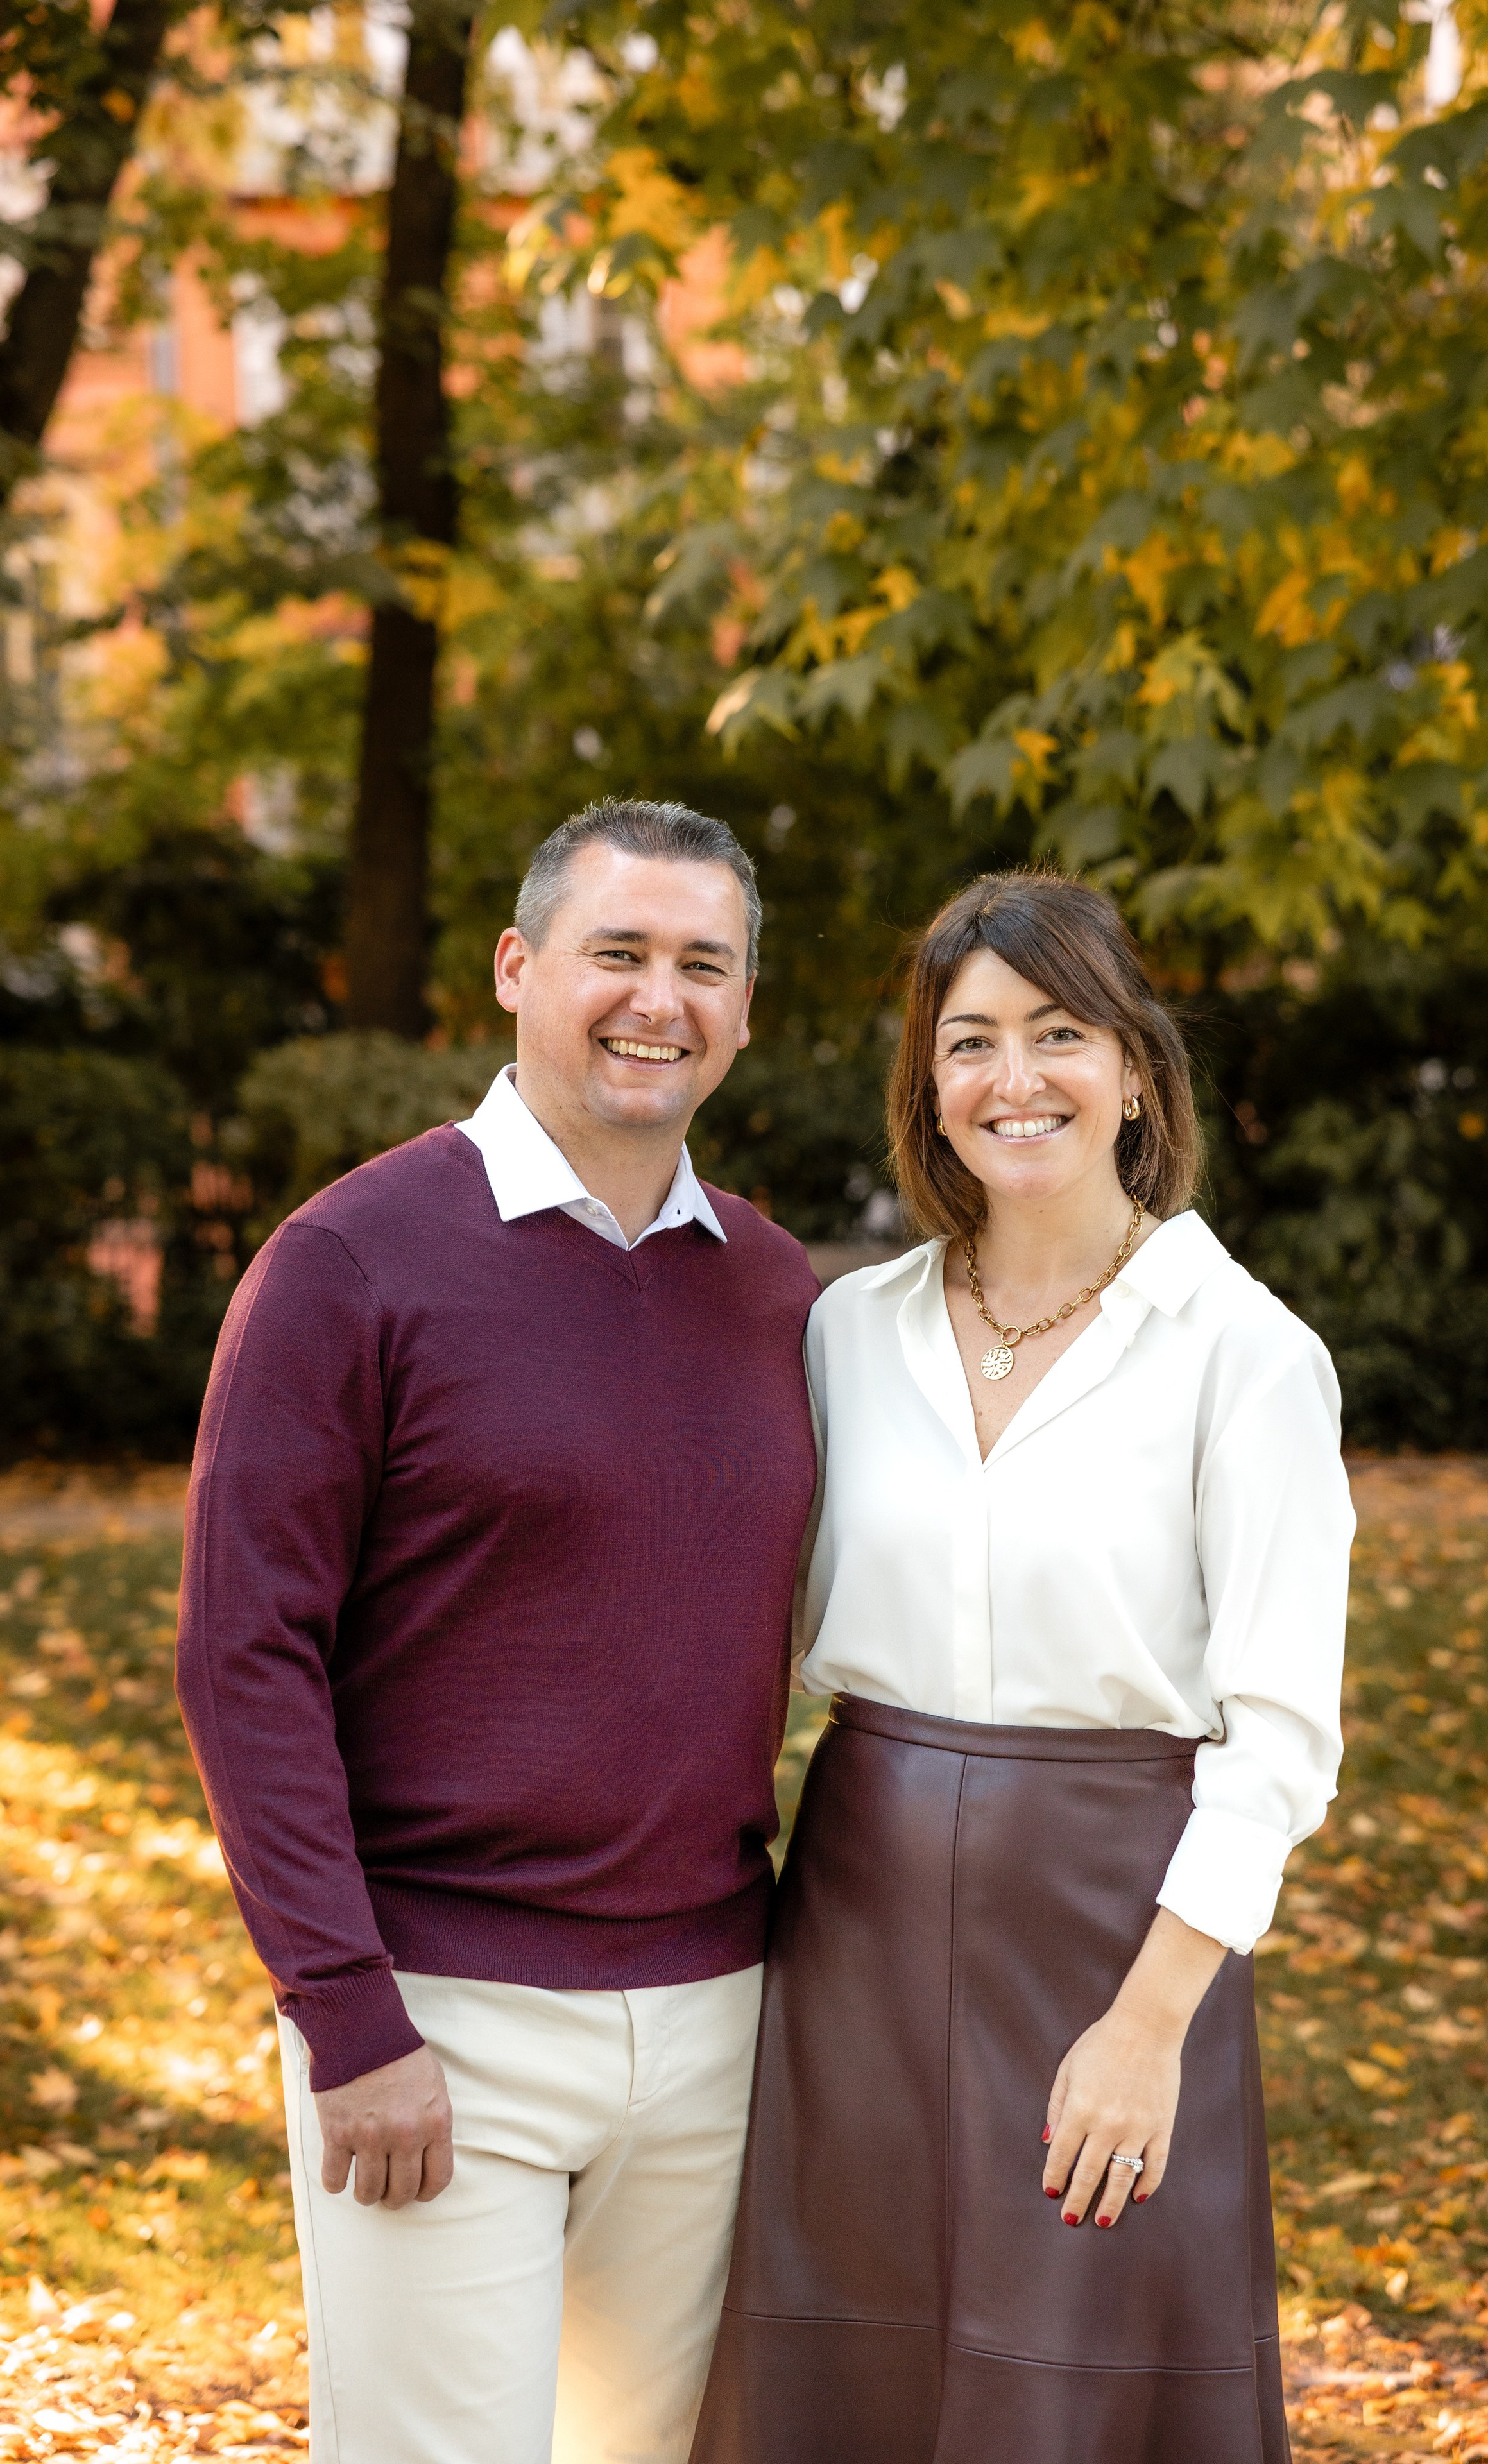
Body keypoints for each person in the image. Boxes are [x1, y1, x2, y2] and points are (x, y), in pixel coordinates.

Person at [175, 799, 819, 2464]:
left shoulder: (784, 1297)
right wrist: (345, 2012)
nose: (656, 1000)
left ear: (748, 1008)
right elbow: (245, 1658)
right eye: (617, 953)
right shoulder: (348, 1266)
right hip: (436, 2016)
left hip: (715, 2019)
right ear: (518, 969)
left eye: (702, 964)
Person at [691, 870, 1355, 2464]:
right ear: (929, 1081)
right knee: (839, 2353)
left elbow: (1275, 1744)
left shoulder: (1244, 1353)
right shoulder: (848, 1330)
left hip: (1111, 1927)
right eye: (970, 1040)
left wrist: (1148, 2028)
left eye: (1059, 1033)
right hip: (852, 1915)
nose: (1015, 1079)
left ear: (1133, 1068)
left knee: (1076, 2368)